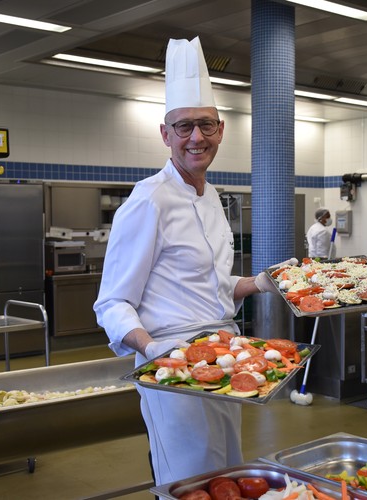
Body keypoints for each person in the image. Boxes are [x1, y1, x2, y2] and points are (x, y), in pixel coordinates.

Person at [94, 36, 281, 488]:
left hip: (225, 358)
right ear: (165, 134)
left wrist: (259, 282)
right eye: (183, 127)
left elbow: (210, 285)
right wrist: (149, 347)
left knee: (226, 473)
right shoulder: (148, 201)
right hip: (172, 366)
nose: (196, 137)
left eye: (205, 125)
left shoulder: (212, 195)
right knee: (188, 479)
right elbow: (112, 302)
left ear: (221, 130)